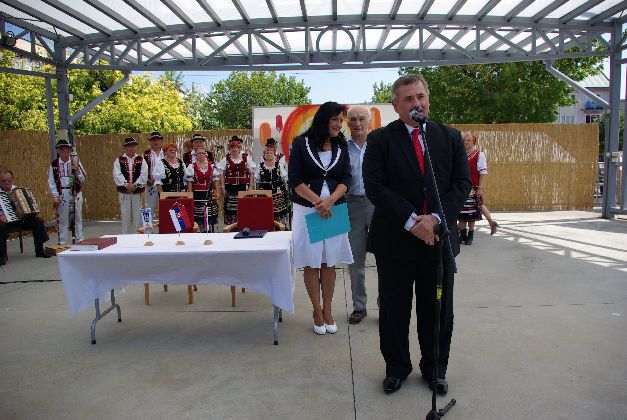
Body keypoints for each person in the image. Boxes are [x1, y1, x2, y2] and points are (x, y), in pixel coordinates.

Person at [363, 74, 471, 395]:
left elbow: (462, 184)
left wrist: (435, 220)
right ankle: (396, 368)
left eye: (421, 97)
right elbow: (375, 187)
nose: (417, 103)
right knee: (394, 310)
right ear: (396, 105)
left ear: (428, 100)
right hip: (395, 241)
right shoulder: (380, 140)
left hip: (438, 241)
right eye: (409, 99)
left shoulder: (450, 137)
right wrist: (412, 222)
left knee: (437, 311)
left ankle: (435, 369)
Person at [288, 101, 353, 335]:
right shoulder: (301, 144)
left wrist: (330, 201)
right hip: (308, 210)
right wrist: (318, 202)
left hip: (334, 209)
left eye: (340, 120)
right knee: (312, 261)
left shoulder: (341, 145)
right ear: (323, 120)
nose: (339, 124)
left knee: (329, 262)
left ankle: (328, 310)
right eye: (335, 119)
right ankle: (317, 311)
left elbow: (346, 178)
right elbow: (295, 179)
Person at [345, 105, 375, 325]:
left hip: (377, 205)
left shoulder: (378, 146)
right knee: (355, 260)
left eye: (362, 118)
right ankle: (359, 306)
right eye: (353, 119)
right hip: (351, 205)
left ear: (369, 121)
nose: (357, 123)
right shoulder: (342, 148)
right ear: (347, 123)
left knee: (385, 258)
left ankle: (386, 305)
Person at [1, 169, 52, 265]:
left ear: (12, 179)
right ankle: (1, 255)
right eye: (4, 181)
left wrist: (32, 205)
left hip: (21, 220)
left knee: (38, 222)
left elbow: (28, 203)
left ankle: (39, 250)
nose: (7, 182)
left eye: (9, 180)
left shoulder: (17, 190)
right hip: (6, 223)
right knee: (0, 226)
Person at [457, 132, 498, 245]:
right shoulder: (460, 153)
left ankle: (470, 235)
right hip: (461, 186)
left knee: (472, 211)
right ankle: (462, 234)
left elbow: (483, 172)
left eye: (468, 140)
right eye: (464, 140)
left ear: (473, 142)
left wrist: (480, 188)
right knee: (462, 210)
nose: (465, 142)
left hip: (473, 187)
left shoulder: (479, 154)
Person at [47, 139, 86, 245]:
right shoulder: (54, 164)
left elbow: (83, 179)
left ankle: (79, 240)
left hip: (75, 192)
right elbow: (51, 182)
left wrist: (77, 170)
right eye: (63, 149)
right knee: (63, 219)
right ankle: (62, 242)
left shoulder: (76, 161)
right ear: (59, 151)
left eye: (68, 149)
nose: (67, 151)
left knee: (78, 217)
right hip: (62, 193)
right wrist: (55, 196)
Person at [217, 136, 255, 225]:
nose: (234, 150)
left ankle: (243, 226)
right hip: (230, 188)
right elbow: (221, 174)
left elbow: (251, 172)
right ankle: (231, 227)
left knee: (243, 207)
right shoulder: (225, 159)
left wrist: (250, 186)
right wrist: (222, 187)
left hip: (243, 188)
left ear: (239, 149)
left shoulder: (246, 158)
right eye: (232, 148)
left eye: (236, 148)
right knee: (230, 209)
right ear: (230, 149)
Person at [113, 137, 148, 234]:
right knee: (125, 215)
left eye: (133, 146)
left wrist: (135, 185)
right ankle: (125, 236)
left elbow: (144, 174)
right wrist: (126, 184)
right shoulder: (119, 160)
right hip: (124, 192)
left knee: (137, 215)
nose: (132, 148)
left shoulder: (141, 159)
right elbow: (116, 174)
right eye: (129, 146)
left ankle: (137, 236)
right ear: (125, 148)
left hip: (137, 192)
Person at [186, 147, 220, 231]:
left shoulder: (212, 166)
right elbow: (189, 182)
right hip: (197, 195)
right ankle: (200, 232)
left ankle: (208, 232)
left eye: (202, 153)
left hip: (209, 194)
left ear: (206, 155)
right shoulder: (191, 167)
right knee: (199, 216)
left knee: (209, 215)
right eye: (199, 153)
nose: (201, 155)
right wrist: (190, 194)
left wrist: (217, 191)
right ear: (196, 156)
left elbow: (216, 180)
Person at [255, 139, 289, 224]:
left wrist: (284, 190)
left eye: (271, 152)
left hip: (277, 195)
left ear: (274, 154)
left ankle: (279, 228)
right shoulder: (260, 166)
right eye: (267, 152)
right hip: (264, 194)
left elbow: (285, 180)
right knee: (265, 214)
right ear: (264, 155)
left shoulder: (279, 165)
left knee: (278, 216)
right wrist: (257, 193)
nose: (269, 154)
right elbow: (257, 181)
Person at [143, 131, 165, 217]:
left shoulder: (166, 152)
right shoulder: (145, 154)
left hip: (164, 184)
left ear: (161, 141)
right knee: (148, 207)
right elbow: (142, 169)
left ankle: (164, 225)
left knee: (164, 206)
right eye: (153, 140)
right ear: (150, 142)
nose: (156, 142)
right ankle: (147, 226)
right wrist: (147, 179)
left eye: (157, 140)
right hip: (151, 183)